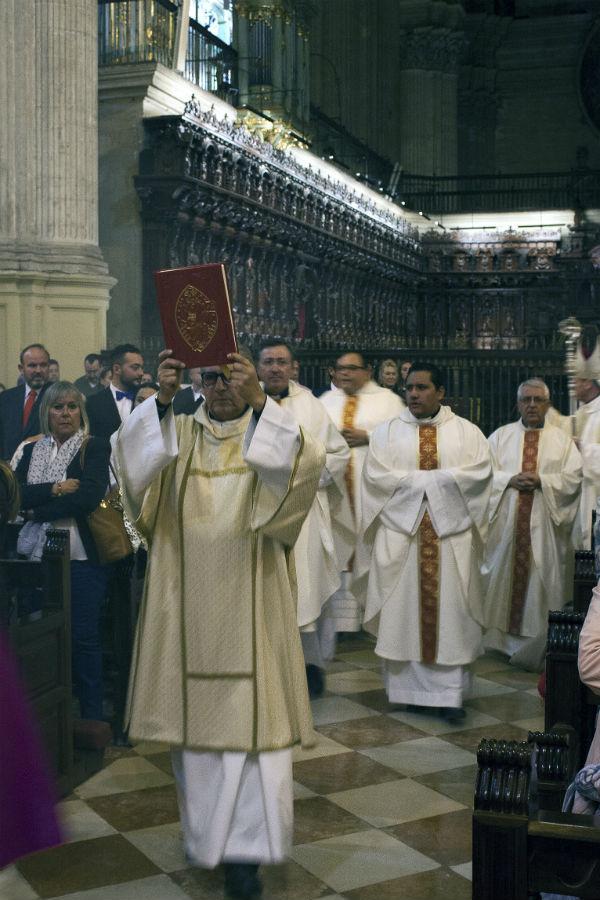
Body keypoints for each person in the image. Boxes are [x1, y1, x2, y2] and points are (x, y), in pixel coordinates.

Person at [114, 349, 323, 899]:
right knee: (200, 744)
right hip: (185, 607)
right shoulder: (175, 431)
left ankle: (245, 859)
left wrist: (261, 402)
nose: (222, 387)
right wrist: (158, 399)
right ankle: (208, 840)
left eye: (233, 377)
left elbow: (305, 467)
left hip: (253, 602)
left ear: (249, 379)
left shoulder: (268, 431)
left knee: (256, 740)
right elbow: (129, 473)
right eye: (211, 377)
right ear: (197, 383)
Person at [355, 363, 492, 723]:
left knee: (452, 615)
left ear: (441, 392)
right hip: (402, 537)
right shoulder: (385, 433)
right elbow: (375, 479)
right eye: (409, 388)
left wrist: (421, 484)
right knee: (403, 615)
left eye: (422, 388)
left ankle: (449, 697)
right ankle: (406, 693)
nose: (413, 394)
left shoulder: (468, 433)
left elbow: (479, 477)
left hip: (451, 540)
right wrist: (436, 484)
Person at [256, 340, 352, 696]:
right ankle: (264, 669)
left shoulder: (310, 406)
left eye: (282, 362)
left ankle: (308, 667)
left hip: (303, 513)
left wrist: (301, 473)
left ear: (294, 367)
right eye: (268, 362)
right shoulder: (240, 403)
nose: (276, 368)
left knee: (303, 590)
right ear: (257, 366)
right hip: (257, 512)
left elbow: (337, 454)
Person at [13, 382, 111, 720]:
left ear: (80, 412)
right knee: (40, 637)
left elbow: (87, 498)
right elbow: (16, 495)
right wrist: (56, 488)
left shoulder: (94, 447)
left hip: (81, 558)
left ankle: (90, 718)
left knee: (83, 638)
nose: (65, 413)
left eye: (71, 406)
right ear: (47, 413)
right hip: (37, 559)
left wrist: (37, 511)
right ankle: (47, 721)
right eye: (58, 407)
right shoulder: (30, 451)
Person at [482, 379, 582, 660]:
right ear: (518, 404)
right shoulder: (500, 437)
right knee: (503, 578)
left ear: (548, 405)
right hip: (507, 525)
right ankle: (500, 642)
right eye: (526, 400)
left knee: (540, 580)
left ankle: (536, 643)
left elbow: (573, 478)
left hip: (544, 526)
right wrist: (508, 479)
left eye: (538, 400)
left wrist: (543, 481)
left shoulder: (562, 442)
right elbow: (484, 476)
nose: (532, 405)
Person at [320, 352, 404, 633]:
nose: (344, 373)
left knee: (370, 550)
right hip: (335, 493)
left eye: (352, 368)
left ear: (368, 371)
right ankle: (340, 624)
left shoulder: (389, 402)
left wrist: (368, 437)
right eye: (340, 368)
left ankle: (371, 618)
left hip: (372, 494)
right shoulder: (324, 402)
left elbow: (403, 438)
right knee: (336, 548)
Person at [0, 344, 51, 461]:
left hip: (43, 469)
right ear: (21, 369)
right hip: (8, 472)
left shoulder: (58, 396)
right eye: (32, 365)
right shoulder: (6, 398)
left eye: (43, 365)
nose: (38, 370)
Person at [86, 344, 144, 441]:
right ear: (117, 369)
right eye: (135, 368)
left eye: (142, 368)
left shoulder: (146, 399)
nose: (141, 373)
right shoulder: (93, 403)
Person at [573, 365, 600, 549]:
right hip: (581, 492)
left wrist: (582, 448)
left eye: (577, 380)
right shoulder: (582, 412)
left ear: (589, 383)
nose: (573, 384)